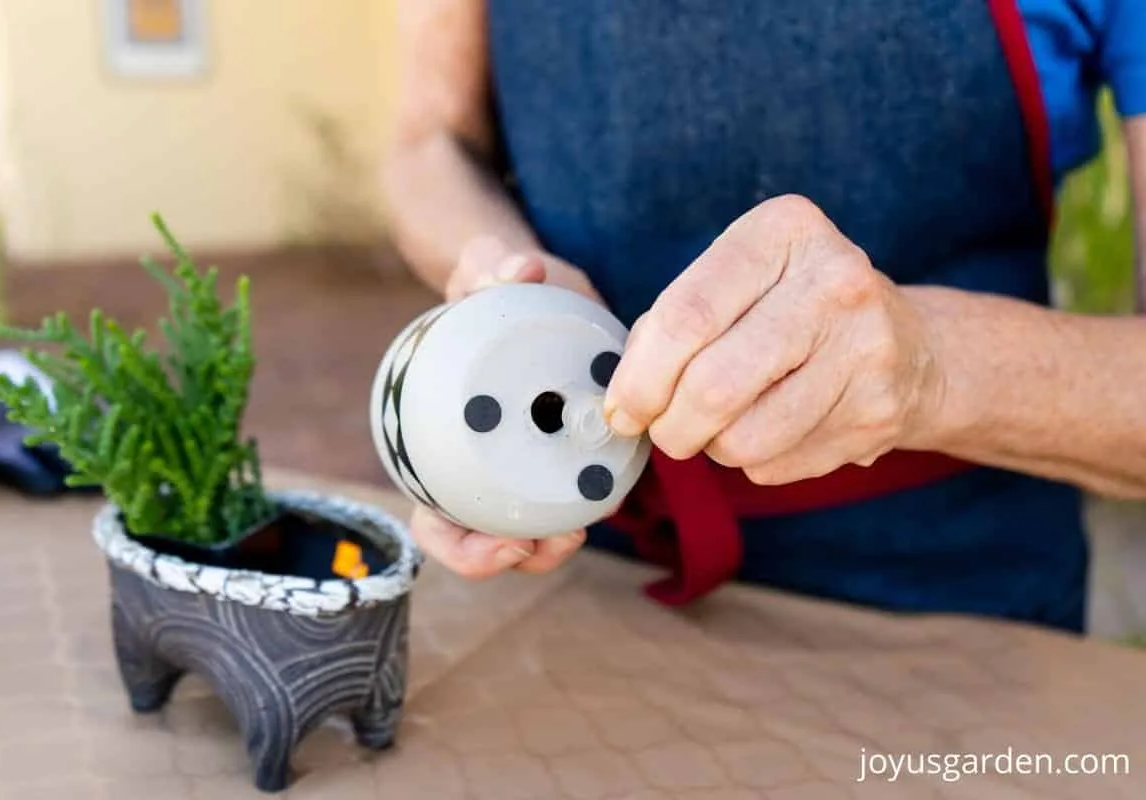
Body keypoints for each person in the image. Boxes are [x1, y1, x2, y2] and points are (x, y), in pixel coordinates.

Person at [381, 0, 1146, 633]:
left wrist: (931, 367)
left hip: (950, 603)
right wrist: (507, 289)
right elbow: (428, 140)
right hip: (577, 574)